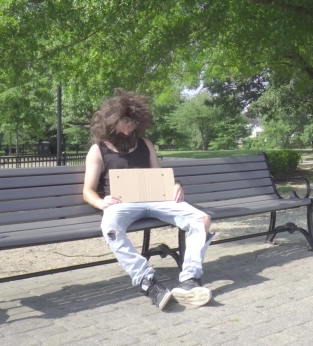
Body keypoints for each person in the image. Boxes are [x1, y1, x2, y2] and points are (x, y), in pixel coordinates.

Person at [83, 89, 215, 311]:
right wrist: (100, 203)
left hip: (156, 199)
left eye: (132, 123)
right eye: (124, 123)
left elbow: (159, 174)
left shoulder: (145, 143)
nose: (128, 128)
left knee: (202, 219)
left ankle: (190, 280)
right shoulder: (98, 150)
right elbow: (88, 190)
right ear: (111, 121)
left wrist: (175, 184)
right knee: (110, 228)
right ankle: (147, 281)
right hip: (120, 204)